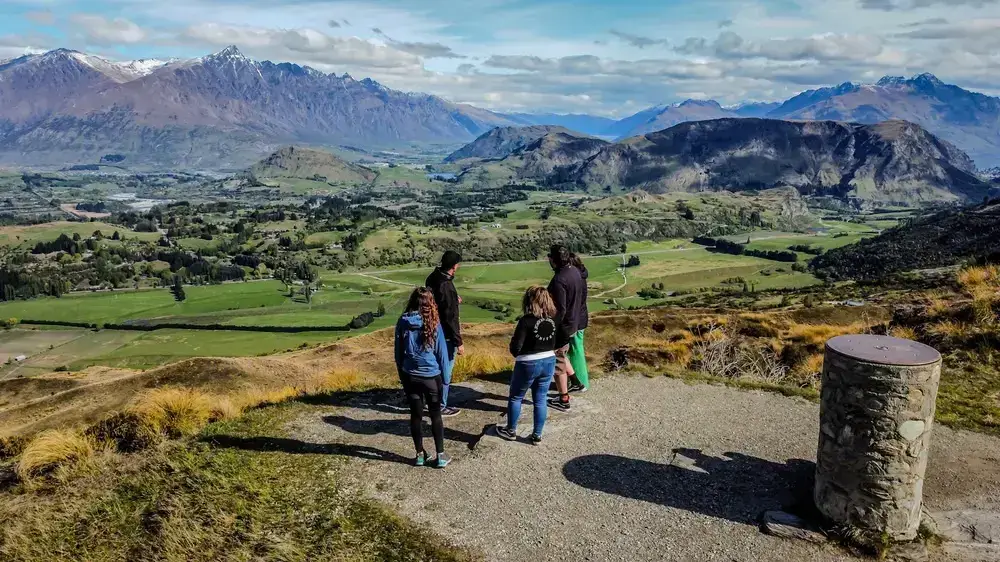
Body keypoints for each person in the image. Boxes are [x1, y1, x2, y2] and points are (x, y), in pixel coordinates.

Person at [394, 287, 452, 468]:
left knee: (416, 416)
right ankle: (440, 456)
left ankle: (419, 455)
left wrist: (402, 375)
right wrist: (446, 379)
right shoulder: (434, 322)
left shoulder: (402, 322)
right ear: (430, 304)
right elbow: (442, 354)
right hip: (431, 377)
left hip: (411, 376)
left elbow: (398, 353)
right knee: (435, 416)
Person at [496, 286, 558, 444]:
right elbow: (561, 339)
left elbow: (516, 347)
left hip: (528, 362)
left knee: (516, 397)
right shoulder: (554, 318)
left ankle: (511, 430)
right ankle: (537, 435)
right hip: (549, 359)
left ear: (529, 301)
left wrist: (519, 354)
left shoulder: (526, 320)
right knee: (540, 399)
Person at [545, 245, 584, 412]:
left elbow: (560, 308)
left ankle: (563, 399)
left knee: (557, 360)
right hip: (574, 322)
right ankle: (576, 382)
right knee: (562, 352)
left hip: (562, 326)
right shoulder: (574, 271)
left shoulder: (559, 279)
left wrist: (549, 327)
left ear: (554, 260)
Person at [425, 250, 464, 417]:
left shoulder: (432, 277)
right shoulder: (446, 285)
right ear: (455, 266)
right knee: (445, 368)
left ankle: (430, 399)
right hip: (443, 331)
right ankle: (440, 405)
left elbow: (438, 302)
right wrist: (458, 341)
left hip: (430, 326)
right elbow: (450, 317)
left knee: (434, 366)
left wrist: (453, 299)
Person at [567, 253, 590, 393]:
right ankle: (578, 381)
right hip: (581, 317)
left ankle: (580, 382)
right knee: (576, 349)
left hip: (577, 319)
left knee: (576, 350)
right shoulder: (581, 277)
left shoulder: (575, 279)